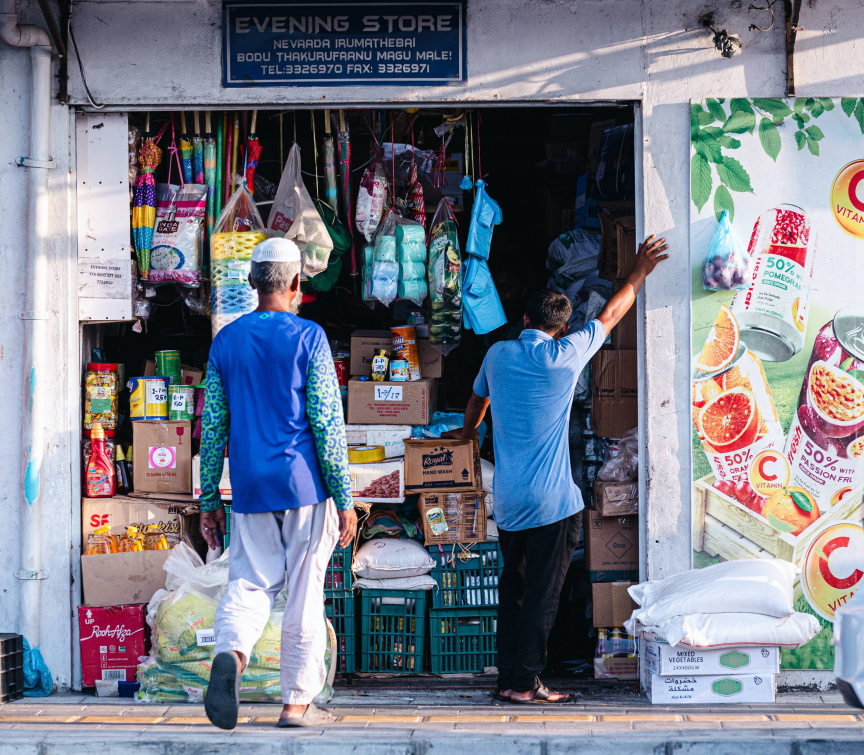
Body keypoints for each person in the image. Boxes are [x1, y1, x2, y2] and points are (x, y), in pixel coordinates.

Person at [446, 234, 668, 704]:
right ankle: (526, 684)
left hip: (508, 503)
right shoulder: (566, 355)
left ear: (524, 320)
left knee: (515, 592)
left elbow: (477, 400)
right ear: (561, 329)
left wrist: (467, 435)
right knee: (543, 599)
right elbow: (611, 312)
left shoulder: (498, 354)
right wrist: (639, 270)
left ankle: (509, 678)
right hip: (553, 505)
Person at [198, 238, 357, 730]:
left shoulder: (225, 341)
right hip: (304, 485)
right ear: (296, 284)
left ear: (250, 282)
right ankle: (294, 704)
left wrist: (208, 498)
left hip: (248, 487)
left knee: (248, 582)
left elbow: (213, 428)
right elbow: (328, 426)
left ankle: (232, 654)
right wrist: (346, 498)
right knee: (306, 591)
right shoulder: (309, 338)